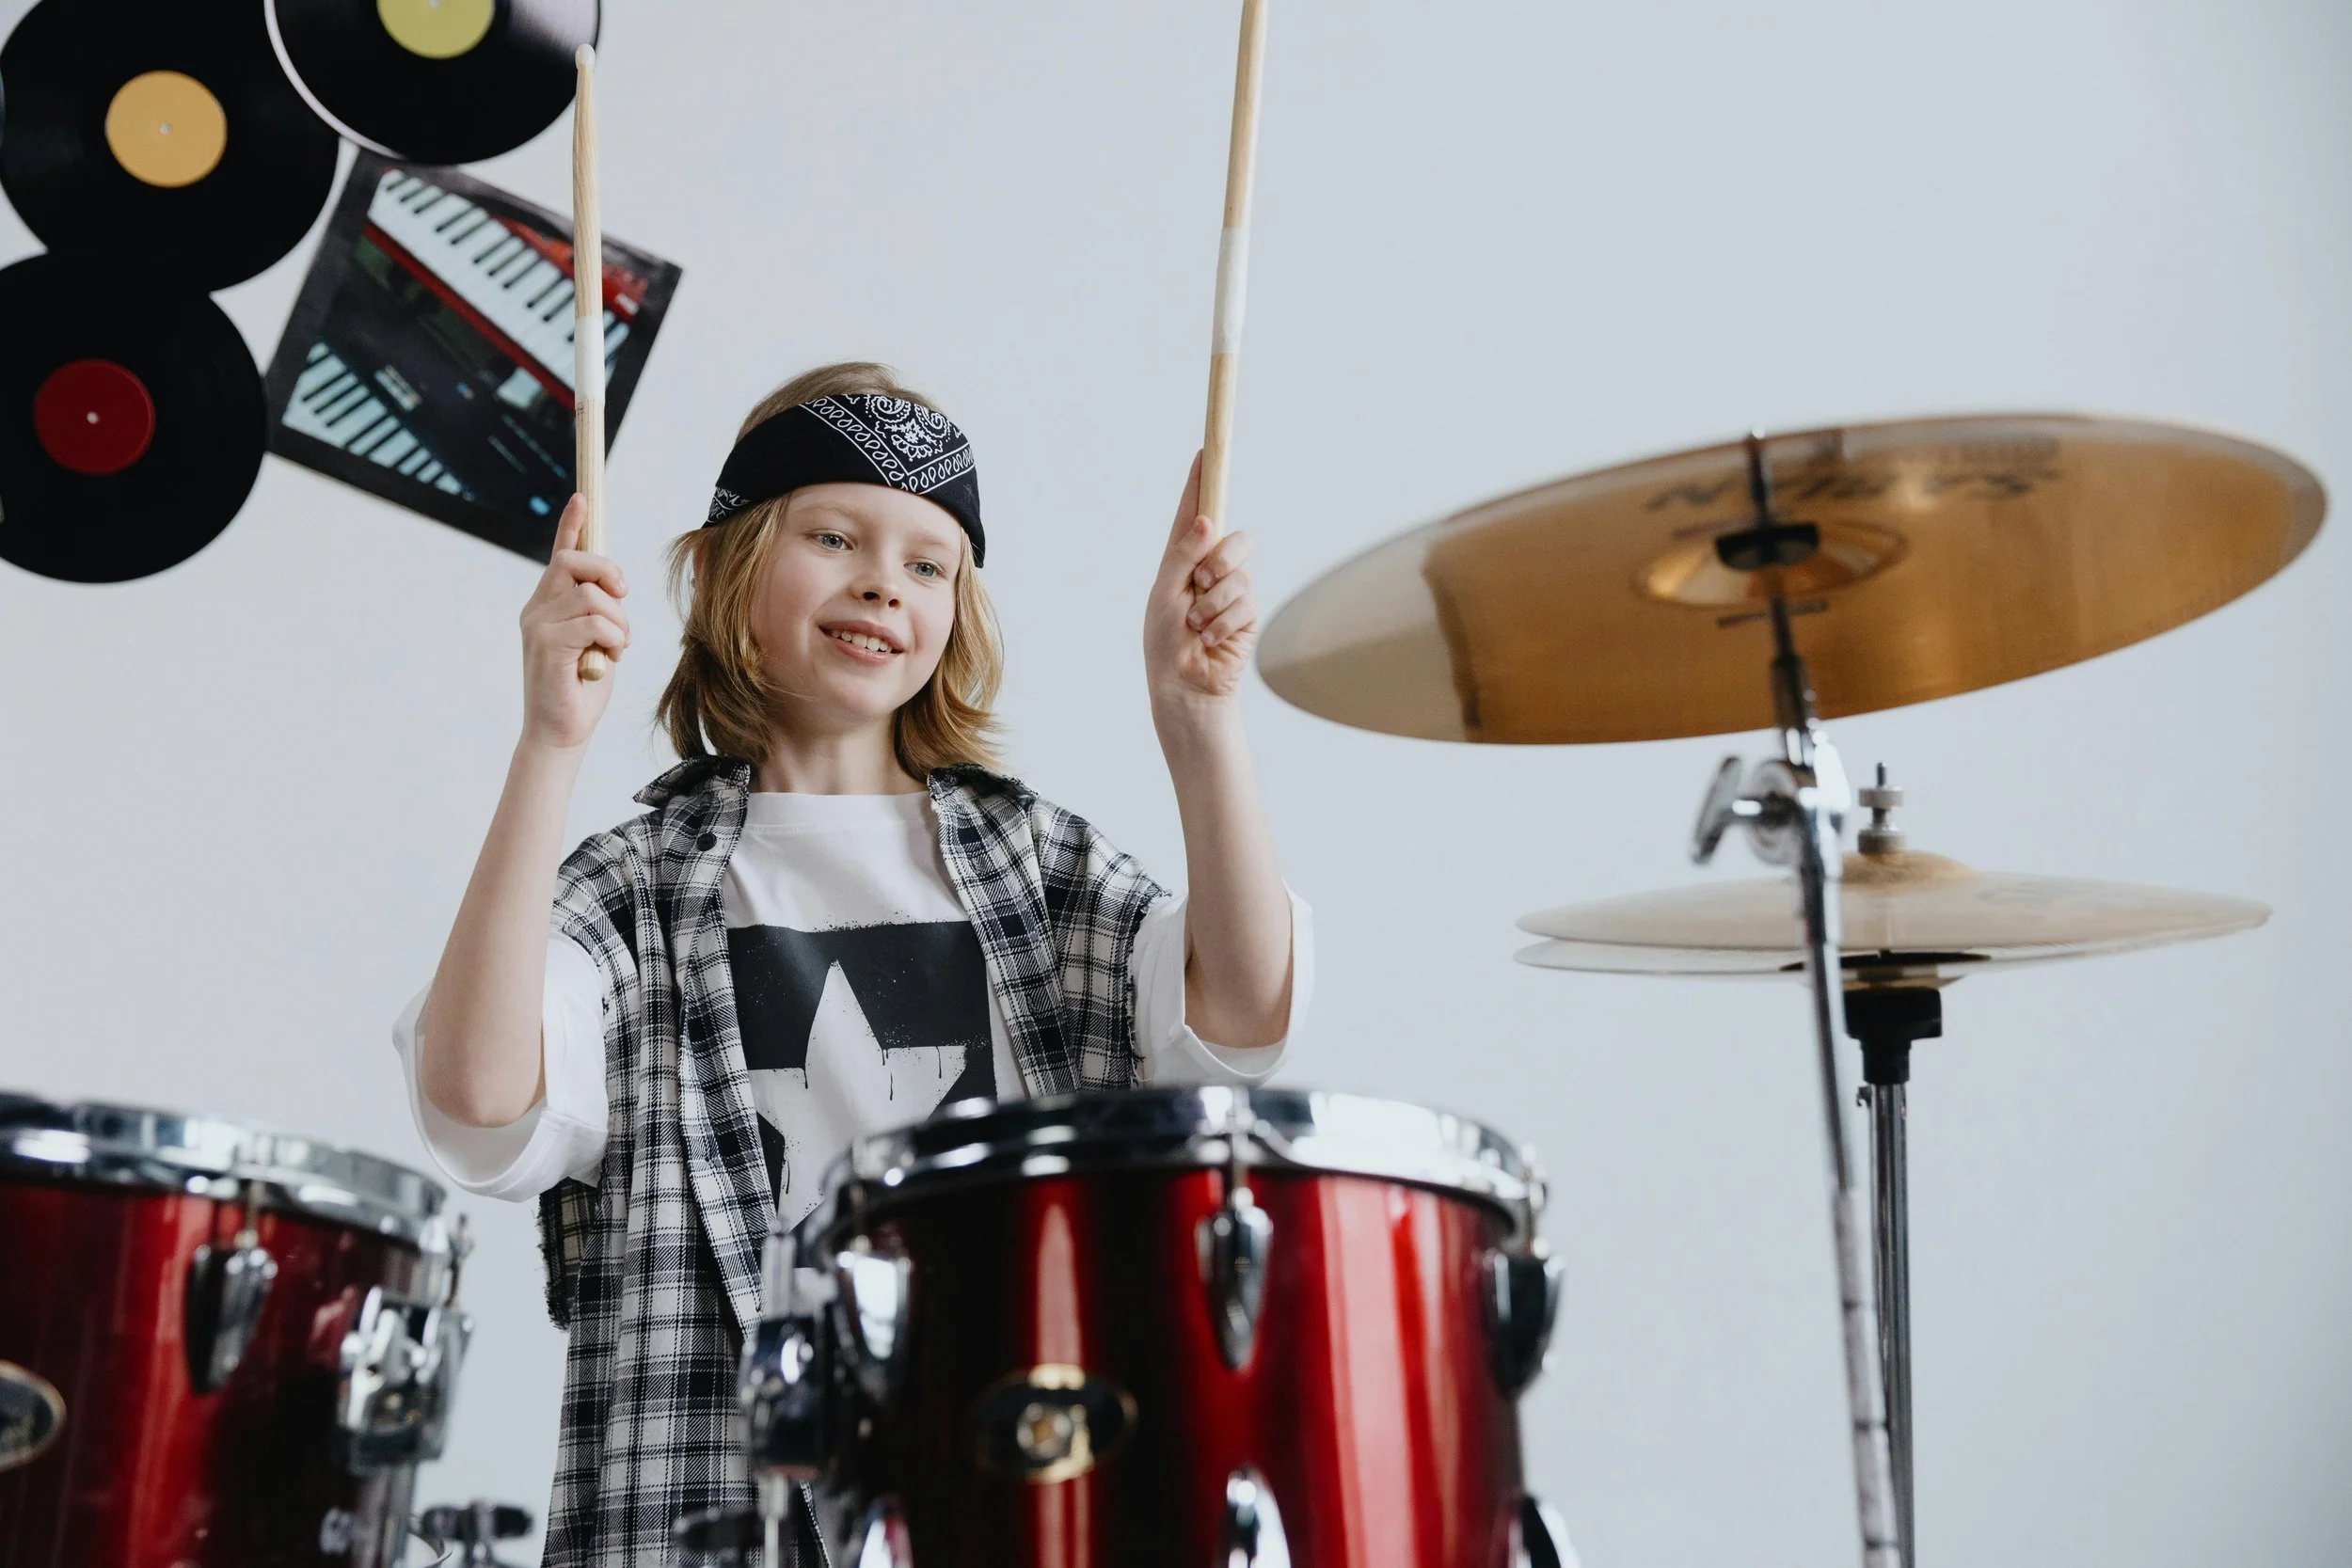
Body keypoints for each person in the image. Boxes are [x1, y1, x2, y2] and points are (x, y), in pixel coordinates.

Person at [391, 361, 1311, 1566]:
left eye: (929, 562)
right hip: (700, 1510)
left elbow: (1240, 1020)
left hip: (1007, 1494)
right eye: (833, 535)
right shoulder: (634, 888)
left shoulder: (1033, 864)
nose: (884, 577)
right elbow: (476, 1101)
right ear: (731, 569)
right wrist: (549, 744)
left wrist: (1200, 725)